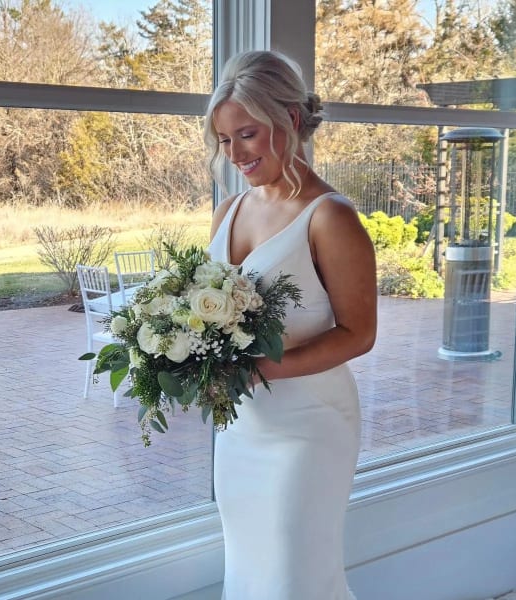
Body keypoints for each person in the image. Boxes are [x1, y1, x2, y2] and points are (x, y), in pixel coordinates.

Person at [204, 50, 377, 600]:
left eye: (247, 134)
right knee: (250, 571)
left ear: (291, 120)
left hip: (309, 426)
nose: (235, 154)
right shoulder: (229, 210)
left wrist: (264, 369)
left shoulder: (331, 216)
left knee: (293, 579)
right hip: (241, 427)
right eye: (225, 140)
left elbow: (360, 333)